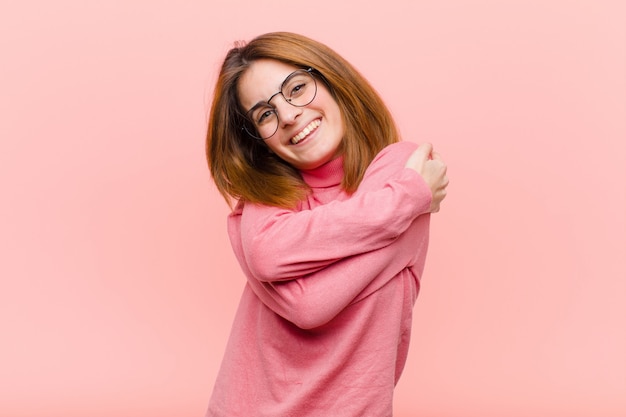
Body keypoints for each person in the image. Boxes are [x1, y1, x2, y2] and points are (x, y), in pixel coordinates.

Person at [205, 32, 448, 417]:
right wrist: (404, 201)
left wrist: (401, 195)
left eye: (297, 88)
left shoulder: (400, 167)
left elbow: (308, 302)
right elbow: (288, 279)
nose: (288, 115)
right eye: (265, 114)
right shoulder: (268, 196)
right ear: (258, 141)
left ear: (332, 81)